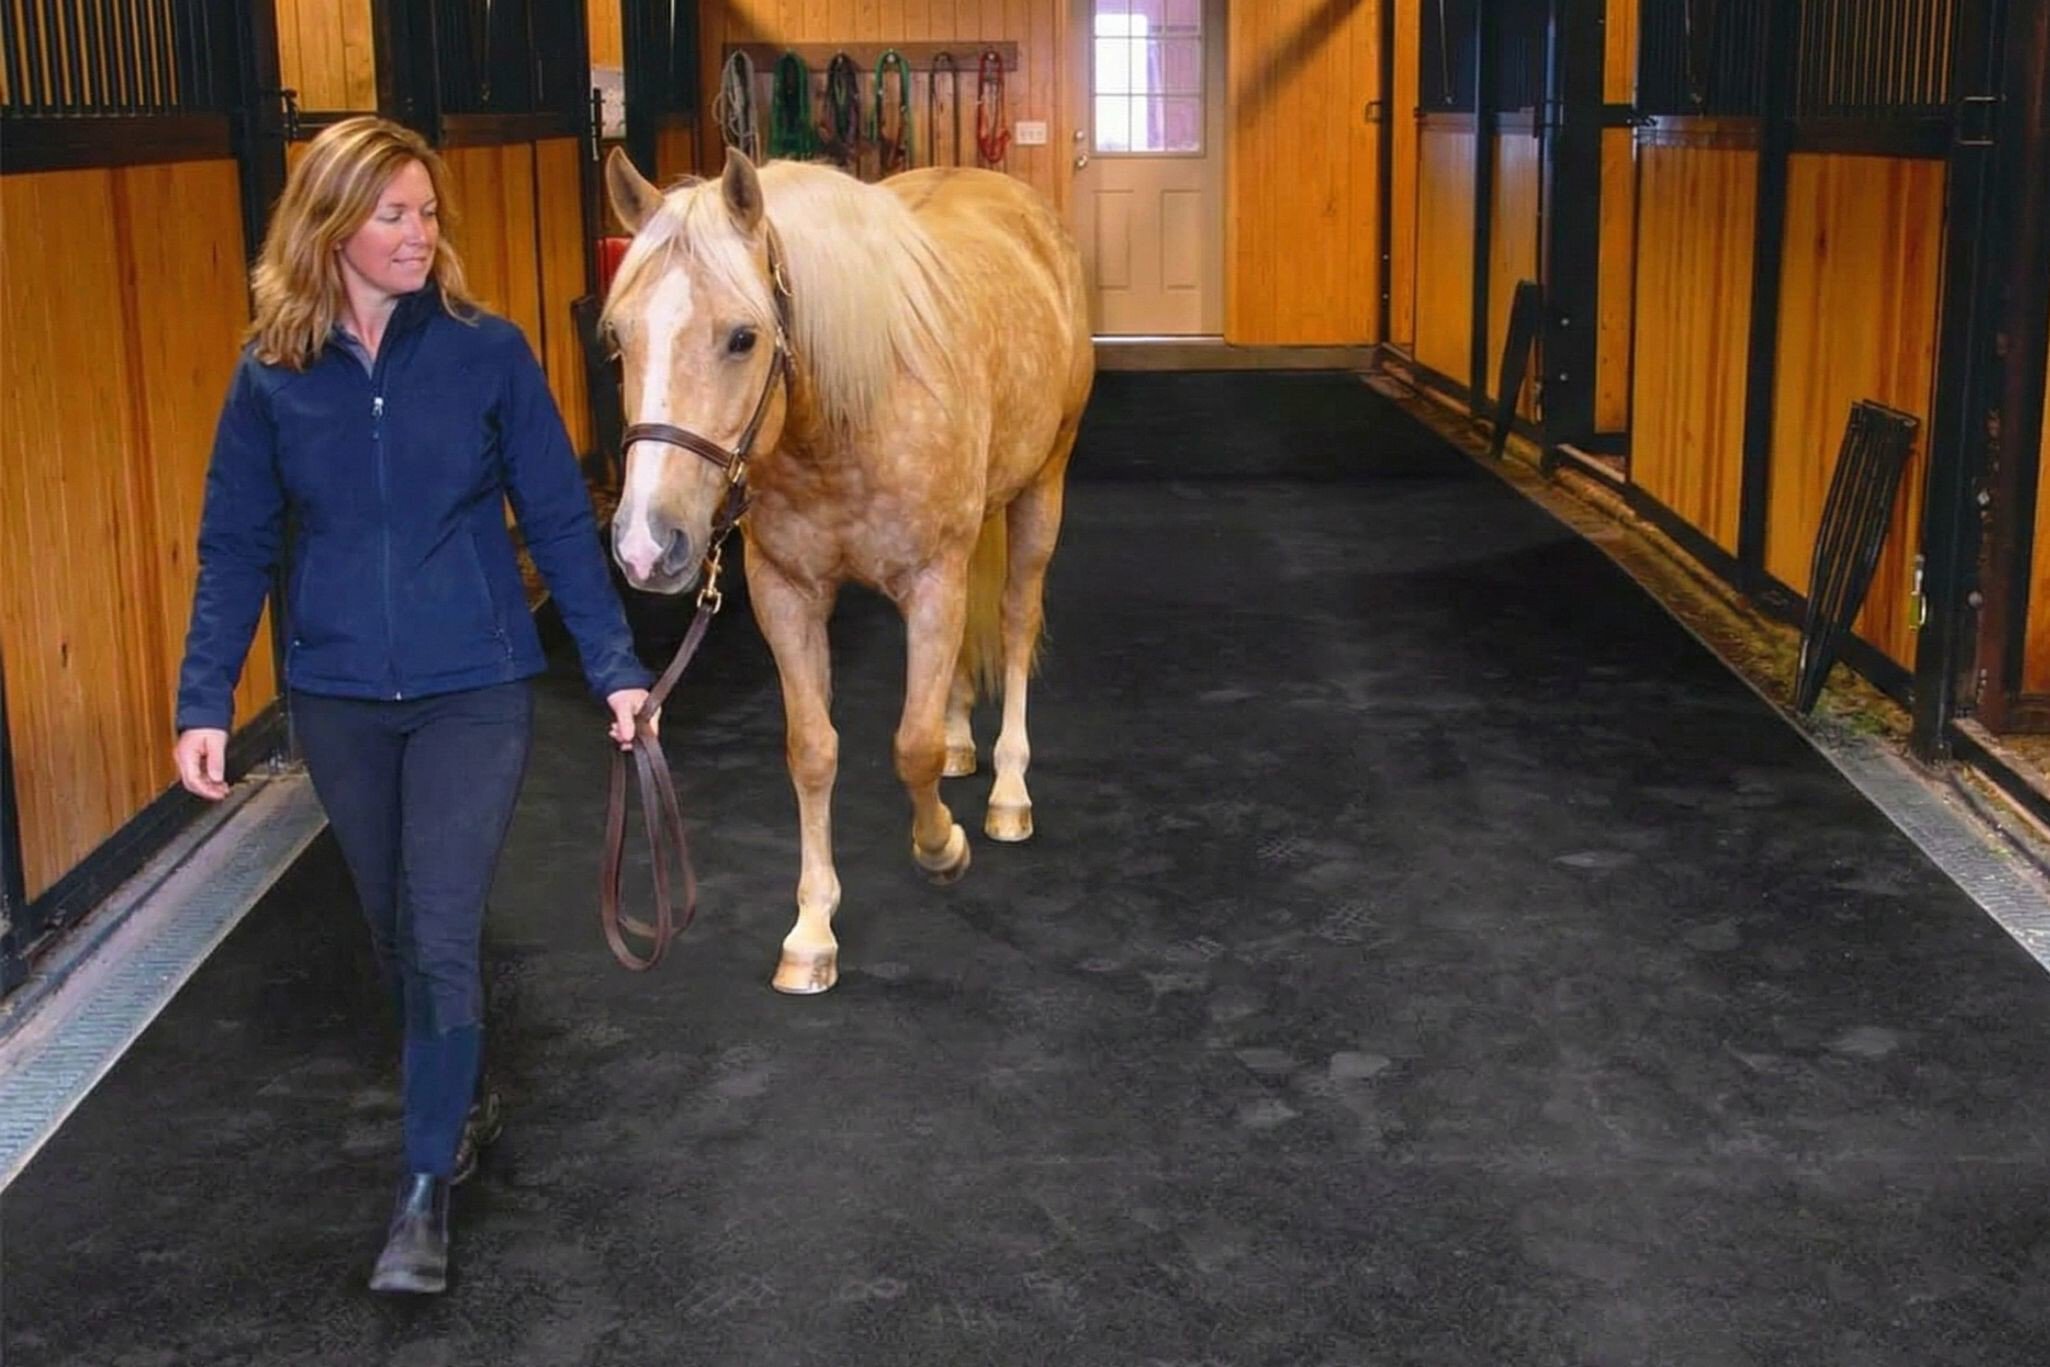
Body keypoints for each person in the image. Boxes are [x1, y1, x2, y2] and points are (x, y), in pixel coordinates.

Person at [171, 116, 654, 1295]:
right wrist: (203, 699)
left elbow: (552, 514)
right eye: (392, 215)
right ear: (330, 227)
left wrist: (613, 664)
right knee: (393, 929)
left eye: (427, 213)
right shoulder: (272, 374)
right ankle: (463, 1079)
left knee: (437, 924)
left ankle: (426, 1181)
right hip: (337, 692)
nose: (418, 235)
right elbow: (235, 544)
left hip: (473, 688)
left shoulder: (486, 354)